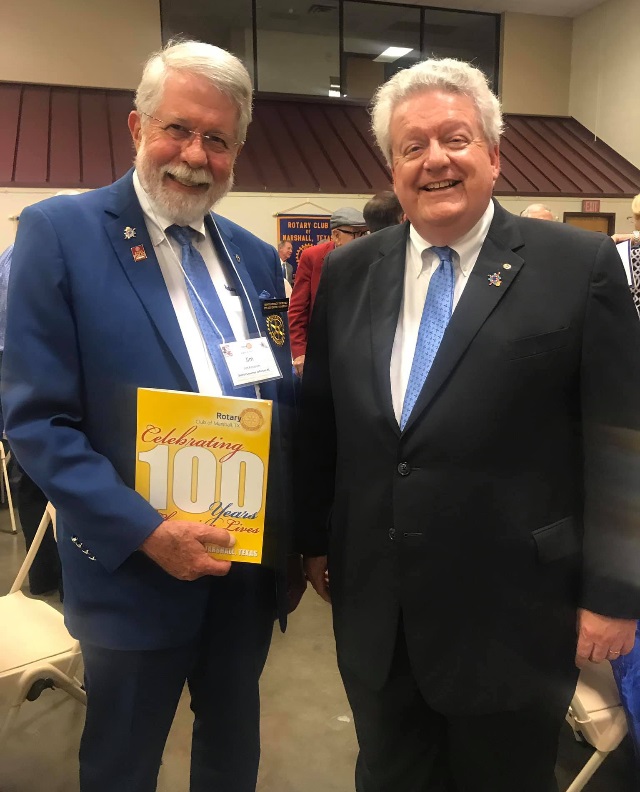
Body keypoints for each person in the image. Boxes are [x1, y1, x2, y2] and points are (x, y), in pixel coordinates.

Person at [296, 57, 640, 792]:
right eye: (412, 146)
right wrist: (315, 539)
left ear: (493, 153)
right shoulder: (351, 272)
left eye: (455, 139)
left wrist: (614, 594)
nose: (435, 160)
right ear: (392, 169)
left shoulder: (577, 265)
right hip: (378, 610)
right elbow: (323, 419)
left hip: (515, 615)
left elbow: (621, 443)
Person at [2, 39, 303, 792]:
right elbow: (36, 419)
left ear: (236, 151)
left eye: (217, 139)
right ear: (137, 127)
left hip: (243, 565)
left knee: (231, 753)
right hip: (135, 567)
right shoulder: (60, 234)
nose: (195, 156)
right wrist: (147, 531)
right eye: (178, 129)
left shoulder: (254, 258)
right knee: (123, 762)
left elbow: (278, 393)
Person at [288, 206, 367, 377]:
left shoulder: (369, 257)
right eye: (356, 234)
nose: (362, 239)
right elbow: (298, 308)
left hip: (357, 352)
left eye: (364, 233)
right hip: (320, 350)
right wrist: (299, 351)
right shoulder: (313, 257)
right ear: (336, 235)